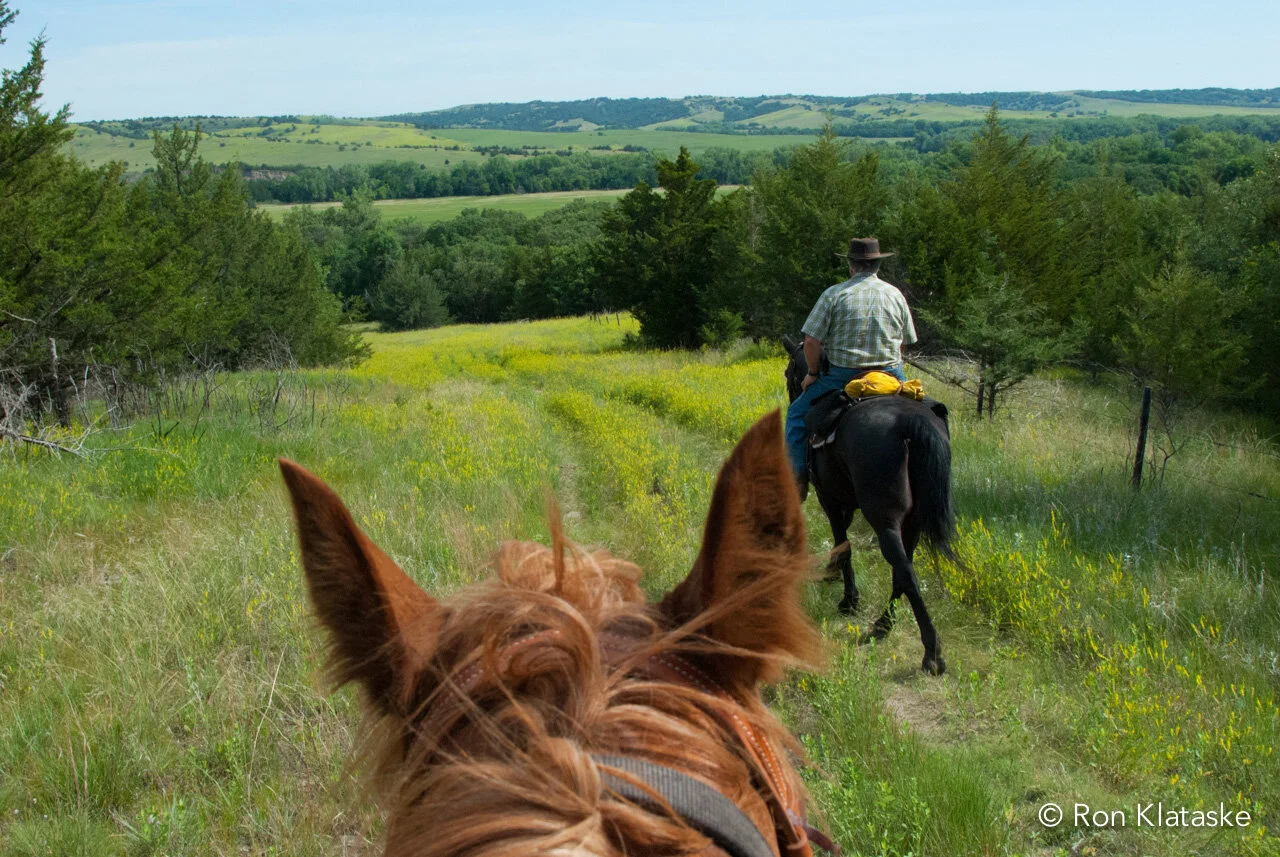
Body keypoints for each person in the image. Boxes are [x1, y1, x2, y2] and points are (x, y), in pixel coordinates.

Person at [786, 237, 917, 498]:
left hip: (843, 376)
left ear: (851, 266)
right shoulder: (895, 295)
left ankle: (797, 482)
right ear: (877, 265)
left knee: (796, 416)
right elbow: (904, 343)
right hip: (891, 374)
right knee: (929, 410)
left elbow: (810, 342)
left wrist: (813, 373)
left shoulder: (834, 294)